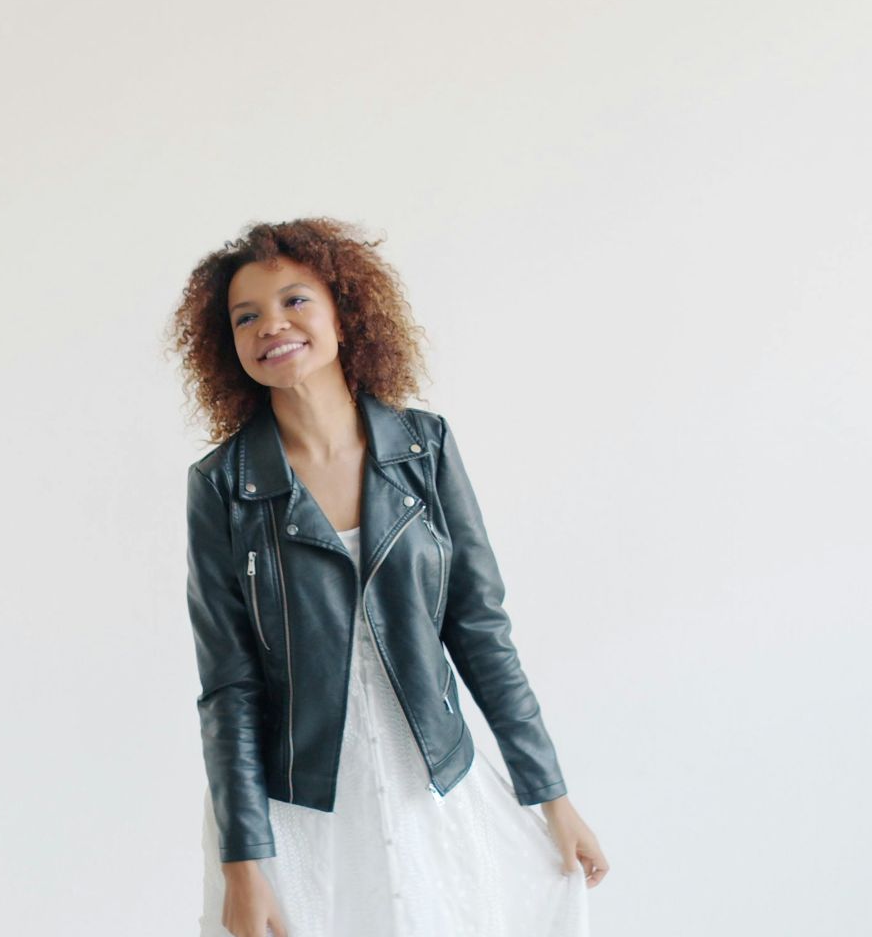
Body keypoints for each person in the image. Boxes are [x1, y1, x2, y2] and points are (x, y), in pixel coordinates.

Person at [169, 218, 609, 937]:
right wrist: (243, 864)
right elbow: (228, 684)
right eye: (245, 316)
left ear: (345, 311)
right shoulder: (222, 484)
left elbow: (479, 631)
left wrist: (550, 795)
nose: (270, 325)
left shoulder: (424, 448)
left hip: (430, 788)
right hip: (300, 805)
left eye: (295, 301)